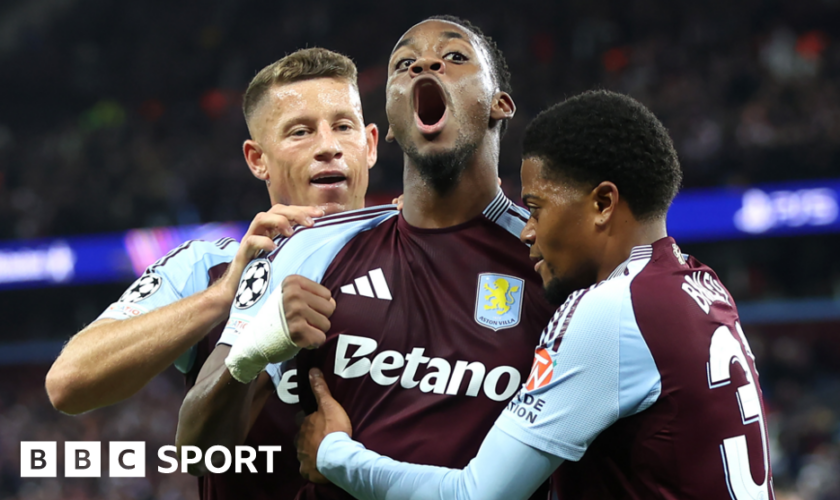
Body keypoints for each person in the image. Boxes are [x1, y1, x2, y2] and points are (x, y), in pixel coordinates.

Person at [296, 90, 776, 500]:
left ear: (603, 204)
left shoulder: (609, 311)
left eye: (537, 207)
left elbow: (478, 494)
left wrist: (335, 453)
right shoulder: (699, 285)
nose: (526, 231)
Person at [178, 15, 555, 500]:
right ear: (390, 128)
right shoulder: (310, 245)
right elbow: (197, 448)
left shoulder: (548, 258)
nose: (426, 64)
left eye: (455, 56)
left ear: (499, 104)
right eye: (405, 64)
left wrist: (340, 459)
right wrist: (253, 350)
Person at [46, 47, 379, 500]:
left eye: (343, 126)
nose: (328, 145)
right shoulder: (207, 265)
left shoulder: (421, 258)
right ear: (256, 159)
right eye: (300, 132)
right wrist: (225, 295)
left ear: (371, 144)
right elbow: (69, 383)